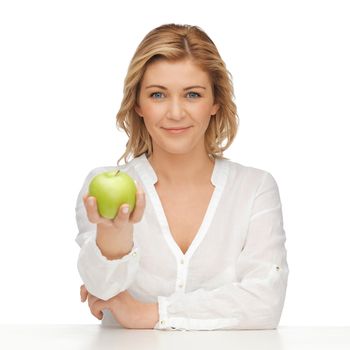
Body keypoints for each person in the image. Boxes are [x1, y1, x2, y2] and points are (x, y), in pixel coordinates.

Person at [75, 23, 289, 331]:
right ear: (138, 104)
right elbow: (101, 289)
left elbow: (266, 302)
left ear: (215, 102)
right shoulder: (100, 186)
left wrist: (148, 313)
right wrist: (114, 238)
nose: (175, 112)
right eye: (158, 94)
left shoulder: (255, 189)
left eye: (192, 94)